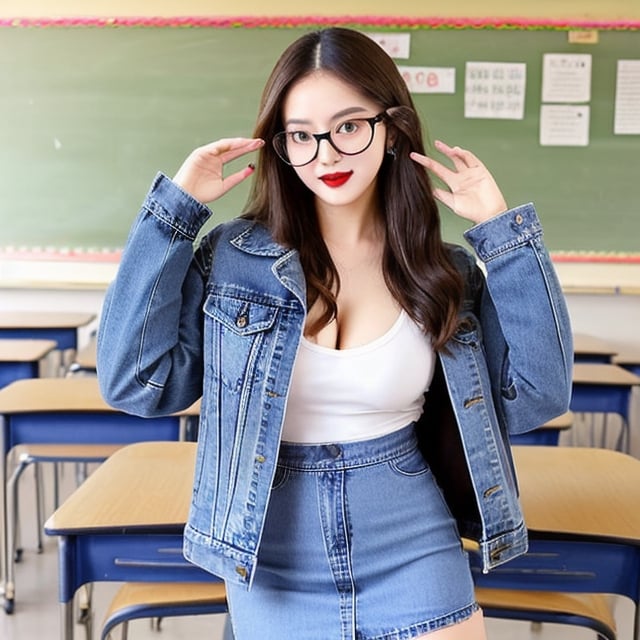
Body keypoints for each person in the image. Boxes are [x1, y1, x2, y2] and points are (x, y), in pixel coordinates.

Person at [97, 27, 573, 640]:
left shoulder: (442, 271)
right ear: (281, 146)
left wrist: (505, 237)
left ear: (392, 129)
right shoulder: (232, 260)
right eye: (302, 135)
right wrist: (173, 214)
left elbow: (538, 396)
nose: (326, 154)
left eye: (348, 126)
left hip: (412, 541)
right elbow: (137, 385)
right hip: (268, 550)